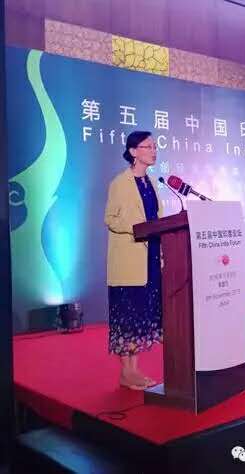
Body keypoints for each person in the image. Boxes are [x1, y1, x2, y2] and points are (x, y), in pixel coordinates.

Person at [104, 131, 162, 390]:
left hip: (150, 258)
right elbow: (110, 219)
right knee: (127, 316)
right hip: (129, 260)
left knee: (140, 316)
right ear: (133, 152)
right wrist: (138, 228)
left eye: (154, 146)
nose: (154, 150)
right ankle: (126, 372)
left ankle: (134, 370)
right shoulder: (120, 183)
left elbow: (157, 218)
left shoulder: (151, 183)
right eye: (148, 146)